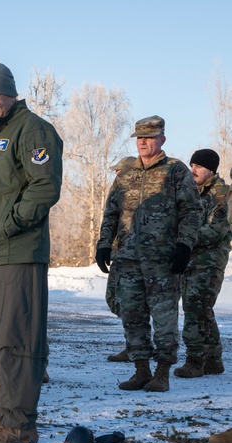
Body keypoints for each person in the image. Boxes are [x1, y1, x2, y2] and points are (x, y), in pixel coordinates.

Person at [0, 63, 63, 443]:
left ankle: (20, 423)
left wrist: (9, 224)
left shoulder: (32, 129)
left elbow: (43, 187)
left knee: (18, 339)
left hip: (16, 250)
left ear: (10, 93)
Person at [96, 116, 202, 393]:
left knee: (164, 318)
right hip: (128, 259)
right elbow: (111, 213)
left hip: (163, 260)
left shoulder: (175, 171)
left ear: (162, 140)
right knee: (132, 316)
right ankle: (141, 370)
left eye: (149, 137)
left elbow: (192, 211)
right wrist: (104, 244)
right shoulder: (126, 174)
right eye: (139, 138)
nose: (143, 142)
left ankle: (162, 373)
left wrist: (184, 245)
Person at [174, 149, 230, 378]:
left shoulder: (221, 195)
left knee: (195, 308)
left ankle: (195, 361)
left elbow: (215, 231)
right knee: (202, 310)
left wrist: (184, 239)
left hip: (209, 261)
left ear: (212, 170)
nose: (193, 170)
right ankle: (214, 360)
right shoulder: (192, 193)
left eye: (198, 166)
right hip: (191, 259)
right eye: (191, 164)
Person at [104, 156, 137, 362]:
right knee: (114, 298)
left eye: (120, 171)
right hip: (119, 253)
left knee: (130, 302)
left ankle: (136, 345)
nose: (116, 175)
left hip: (132, 255)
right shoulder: (118, 191)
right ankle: (134, 342)